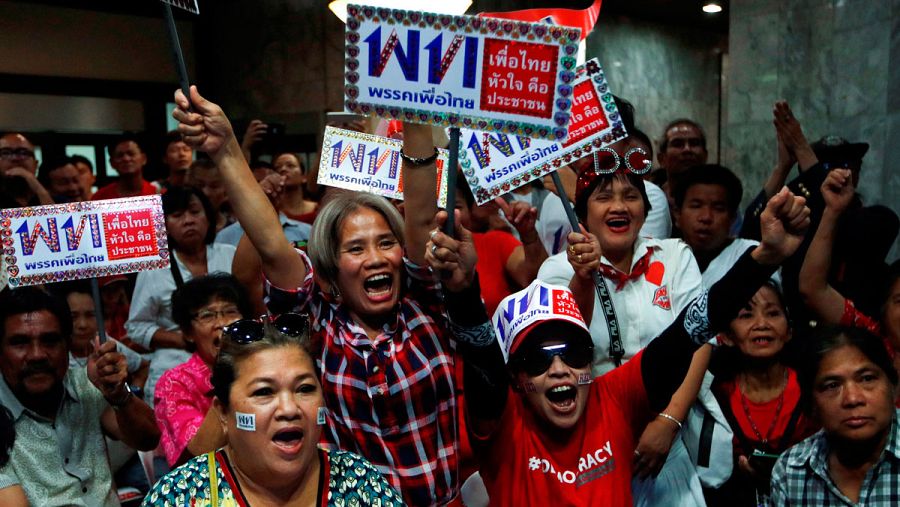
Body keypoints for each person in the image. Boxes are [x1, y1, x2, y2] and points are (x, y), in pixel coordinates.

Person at [173, 85, 465, 505]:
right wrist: (227, 151)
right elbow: (272, 245)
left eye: (386, 243)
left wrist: (415, 104)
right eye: (356, 248)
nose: (376, 259)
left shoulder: (426, 311)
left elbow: (419, 215)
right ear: (330, 268)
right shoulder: (321, 328)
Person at [428, 185, 809, 506]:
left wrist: (764, 258)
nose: (560, 368)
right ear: (516, 377)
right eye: (539, 358)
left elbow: (693, 327)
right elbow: (481, 359)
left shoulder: (613, 398)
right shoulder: (503, 424)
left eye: (575, 352)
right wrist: (462, 292)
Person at [538, 156, 707, 505]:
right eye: (604, 197)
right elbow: (563, 345)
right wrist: (582, 278)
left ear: (645, 211)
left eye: (631, 196)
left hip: (669, 445)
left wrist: (668, 421)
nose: (619, 205)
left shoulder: (674, 257)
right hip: (591, 449)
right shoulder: (555, 271)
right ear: (581, 216)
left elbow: (701, 340)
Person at [143, 313, 403, 506]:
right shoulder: (180, 495)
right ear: (223, 413)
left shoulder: (360, 482)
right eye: (264, 392)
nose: (289, 409)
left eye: (304, 389)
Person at [0, 286, 160, 505]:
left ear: (68, 344)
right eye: (20, 342)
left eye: (50, 341)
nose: (37, 355)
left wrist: (118, 393)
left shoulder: (85, 385)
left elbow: (148, 439)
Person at [706, 282, 818, 506]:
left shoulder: (814, 389)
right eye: (747, 315)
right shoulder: (714, 398)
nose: (762, 324)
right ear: (727, 336)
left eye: (773, 313)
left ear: (789, 330)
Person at [126, 186, 236, 408]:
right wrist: (185, 340)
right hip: (174, 364)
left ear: (209, 217)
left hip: (232, 363)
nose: (188, 220)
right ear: (164, 225)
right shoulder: (154, 268)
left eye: (195, 212)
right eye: (177, 215)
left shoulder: (230, 254)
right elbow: (136, 327)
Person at [771, 326, 900, 504]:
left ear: (893, 387)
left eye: (867, 378)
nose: (853, 398)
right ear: (811, 405)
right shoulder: (791, 471)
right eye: (832, 386)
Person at [799, 168, 900, 382]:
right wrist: (832, 212)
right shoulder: (871, 340)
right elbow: (813, 288)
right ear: (883, 309)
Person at [155, 274, 251, 468]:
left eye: (230, 312)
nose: (223, 324)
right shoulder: (174, 383)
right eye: (207, 315)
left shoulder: (260, 368)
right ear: (188, 333)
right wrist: (228, 375)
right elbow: (201, 456)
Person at [673, 164, 761, 285]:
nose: (706, 217)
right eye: (696, 206)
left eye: (718, 208)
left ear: (732, 219)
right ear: (677, 214)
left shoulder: (750, 254)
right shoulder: (663, 259)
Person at [93, 134, 158, 201]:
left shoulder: (158, 194)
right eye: (120, 156)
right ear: (111, 163)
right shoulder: (100, 198)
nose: (126, 159)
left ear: (144, 158)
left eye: (131, 154)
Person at [655, 118, 708, 194]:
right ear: (662, 159)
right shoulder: (650, 198)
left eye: (694, 143)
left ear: (705, 156)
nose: (687, 149)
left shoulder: (720, 197)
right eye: (677, 144)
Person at [186, 158, 231, 232]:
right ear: (187, 186)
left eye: (214, 186)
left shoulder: (239, 231)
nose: (206, 193)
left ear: (226, 192)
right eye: (199, 185)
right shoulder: (169, 226)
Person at [274, 151, 318, 225]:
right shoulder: (272, 211)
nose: (283, 169)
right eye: (277, 167)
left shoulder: (318, 210)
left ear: (304, 177)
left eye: (290, 165)